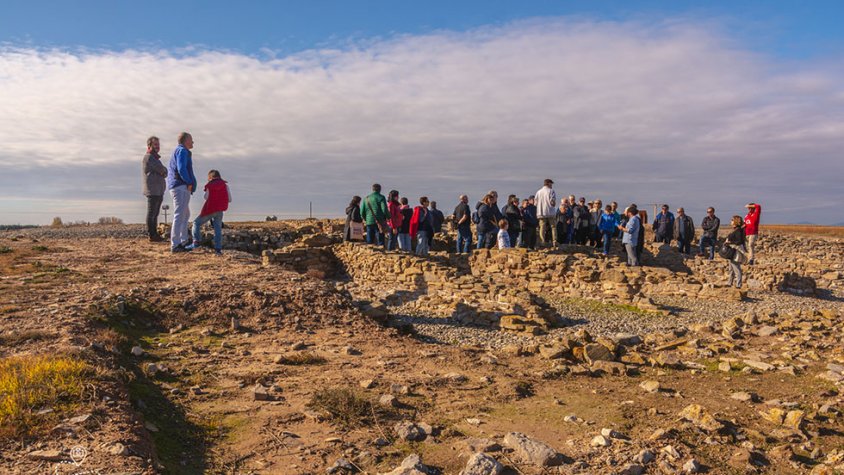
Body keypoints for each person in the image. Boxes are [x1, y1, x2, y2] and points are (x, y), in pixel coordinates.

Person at [185, 170, 231, 255]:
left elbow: (206, 197)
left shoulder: (210, 185)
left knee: (196, 223)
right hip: (220, 210)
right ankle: (218, 249)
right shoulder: (225, 185)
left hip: (210, 209)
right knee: (217, 229)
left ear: (210, 177)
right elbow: (230, 199)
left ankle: (196, 242)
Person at [167, 132, 197, 253]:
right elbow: (181, 168)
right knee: (180, 214)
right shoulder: (182, 151)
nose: (193, 142)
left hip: (178, 185)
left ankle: (183, 240)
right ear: (185, 141)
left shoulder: (180, 151)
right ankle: (176, 244)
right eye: (191, 140)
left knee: (185, 214)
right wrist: (189, 182)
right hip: (180, 186)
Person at [142, 136, 167, 242]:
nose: (157, 147)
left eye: (158, 145)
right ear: (149, 145)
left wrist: (164, 171)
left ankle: (154, 234)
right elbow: (162, 170)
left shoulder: (155, 158)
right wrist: (163, 170)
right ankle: (152, 234)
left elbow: (165, 172)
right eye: (155, 145)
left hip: (158, 190)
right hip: (152, 190)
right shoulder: (149, 157)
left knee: (155, 214)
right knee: (152, 213)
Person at [724, 216, 747, 288]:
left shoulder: (738, 231)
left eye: (732, 220)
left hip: (735, 252)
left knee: (736, 268)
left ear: (735, 221)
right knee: (731, 268)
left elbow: (739, 241)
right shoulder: (737, 230)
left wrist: (730, 242)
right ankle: (729, 283)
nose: (730, 221)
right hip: (732, 251)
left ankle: (738, 284)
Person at [535, 179, 557, 247]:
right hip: (550, 211)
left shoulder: (538, 192)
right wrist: (553, 204)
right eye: (551, 184)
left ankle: (542, 241)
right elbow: (552, 202)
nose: (552, 185)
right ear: (549, 184)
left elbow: (535, 203)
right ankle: (554, 241)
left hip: (541, 212)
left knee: (542, 227)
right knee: (553, 227)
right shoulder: (551, 191)